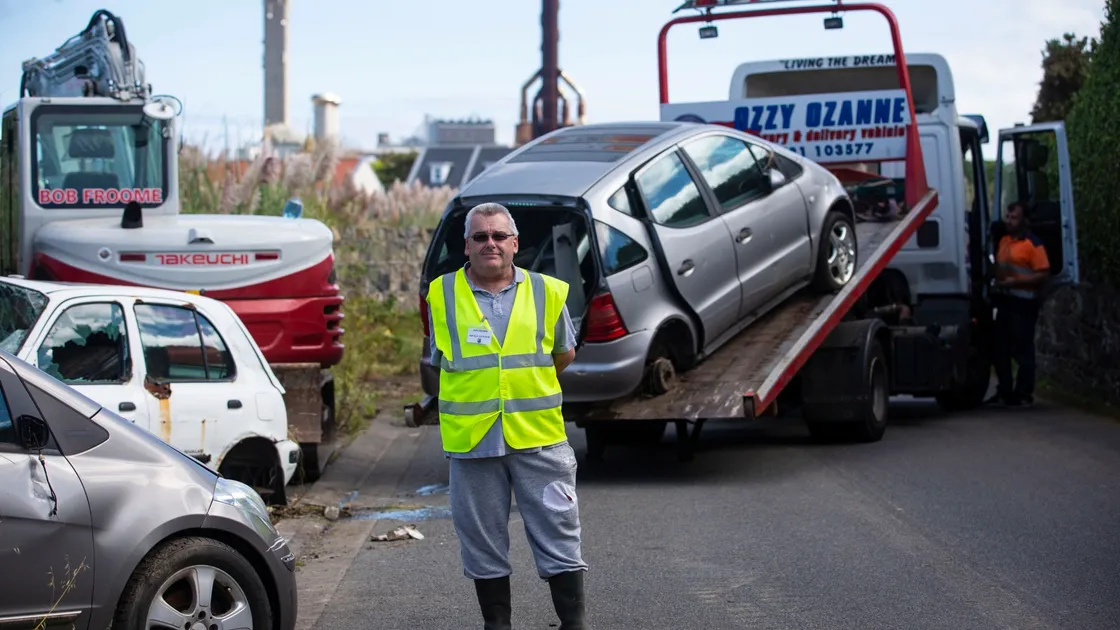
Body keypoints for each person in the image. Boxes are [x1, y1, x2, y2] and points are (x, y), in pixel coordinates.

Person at [425, 202, 588, 629]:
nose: (490, 244)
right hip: (473, 442)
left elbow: (563, 354)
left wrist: (520, 388)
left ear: (514, 243)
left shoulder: (548, 291)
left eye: (499, 236)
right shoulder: (441, 294)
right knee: (482, 543)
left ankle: (575, 623)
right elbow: (438, 358)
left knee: (559, 535)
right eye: (480, 237)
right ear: (466, 246)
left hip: (538, 438)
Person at [987, 200, 1050, 406]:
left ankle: (1023, 392)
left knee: (1023, 350)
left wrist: (1018, 281)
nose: (1010, 221)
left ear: (1023, 220)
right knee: (1000, 348)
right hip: (1005, 300)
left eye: (1014, 218)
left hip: (1024, 303)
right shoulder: (1004, 240)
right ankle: (1005, 390)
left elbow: (1043, 273)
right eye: (1008, 217)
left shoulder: (1032, 243)